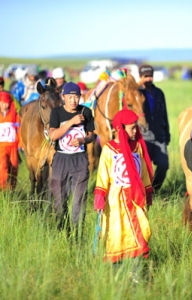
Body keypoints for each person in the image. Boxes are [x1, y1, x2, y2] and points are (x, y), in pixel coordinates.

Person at [94, 109, 153, 263]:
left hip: (136, 199)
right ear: (121, 129)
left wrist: (148, 191)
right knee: (118, 232)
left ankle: (136, 268)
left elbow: (144, 172)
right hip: (116, 201)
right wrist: (100, 198)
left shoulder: (137, 148)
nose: (136, 131)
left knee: (142, 230)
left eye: (136, 127)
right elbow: (102, 176)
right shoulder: (108, 150)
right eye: (132, 128)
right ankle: (119, 267)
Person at [48, 82, 94, 237]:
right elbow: (53, 135)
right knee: (60, 202)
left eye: (76, 97)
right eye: (70, 97)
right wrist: (71, 122)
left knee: (78, 202)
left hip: (80, 160)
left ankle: (77, 236)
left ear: (80, 97)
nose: (74, 100)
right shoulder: (56, 113)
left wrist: (83, 140)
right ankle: (62, 233)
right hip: (61, 160)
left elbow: (91, 135)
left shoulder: (86, 112)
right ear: (63, 97)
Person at [138, 64, 170, 192]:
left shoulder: (159, 93)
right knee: (145, 167)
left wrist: (167, 134)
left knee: (163, 165)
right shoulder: (137, 93)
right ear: (140, 77)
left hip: (160, 135)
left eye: (150, 76)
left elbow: (165, 114)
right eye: (145, 77)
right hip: (144, 136)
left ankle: (154, 190)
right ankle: (143, 192)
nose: (148, 79)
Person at [0, 91, 20, 190]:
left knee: (14, 168)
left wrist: (21, 144)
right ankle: (3, 189)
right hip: (1, 147)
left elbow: (19, 130)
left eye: (6, 103)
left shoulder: (14, 116)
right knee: (3, 166)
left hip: (13, 147)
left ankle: (11, 190)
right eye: (2, 103)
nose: (4, 105)